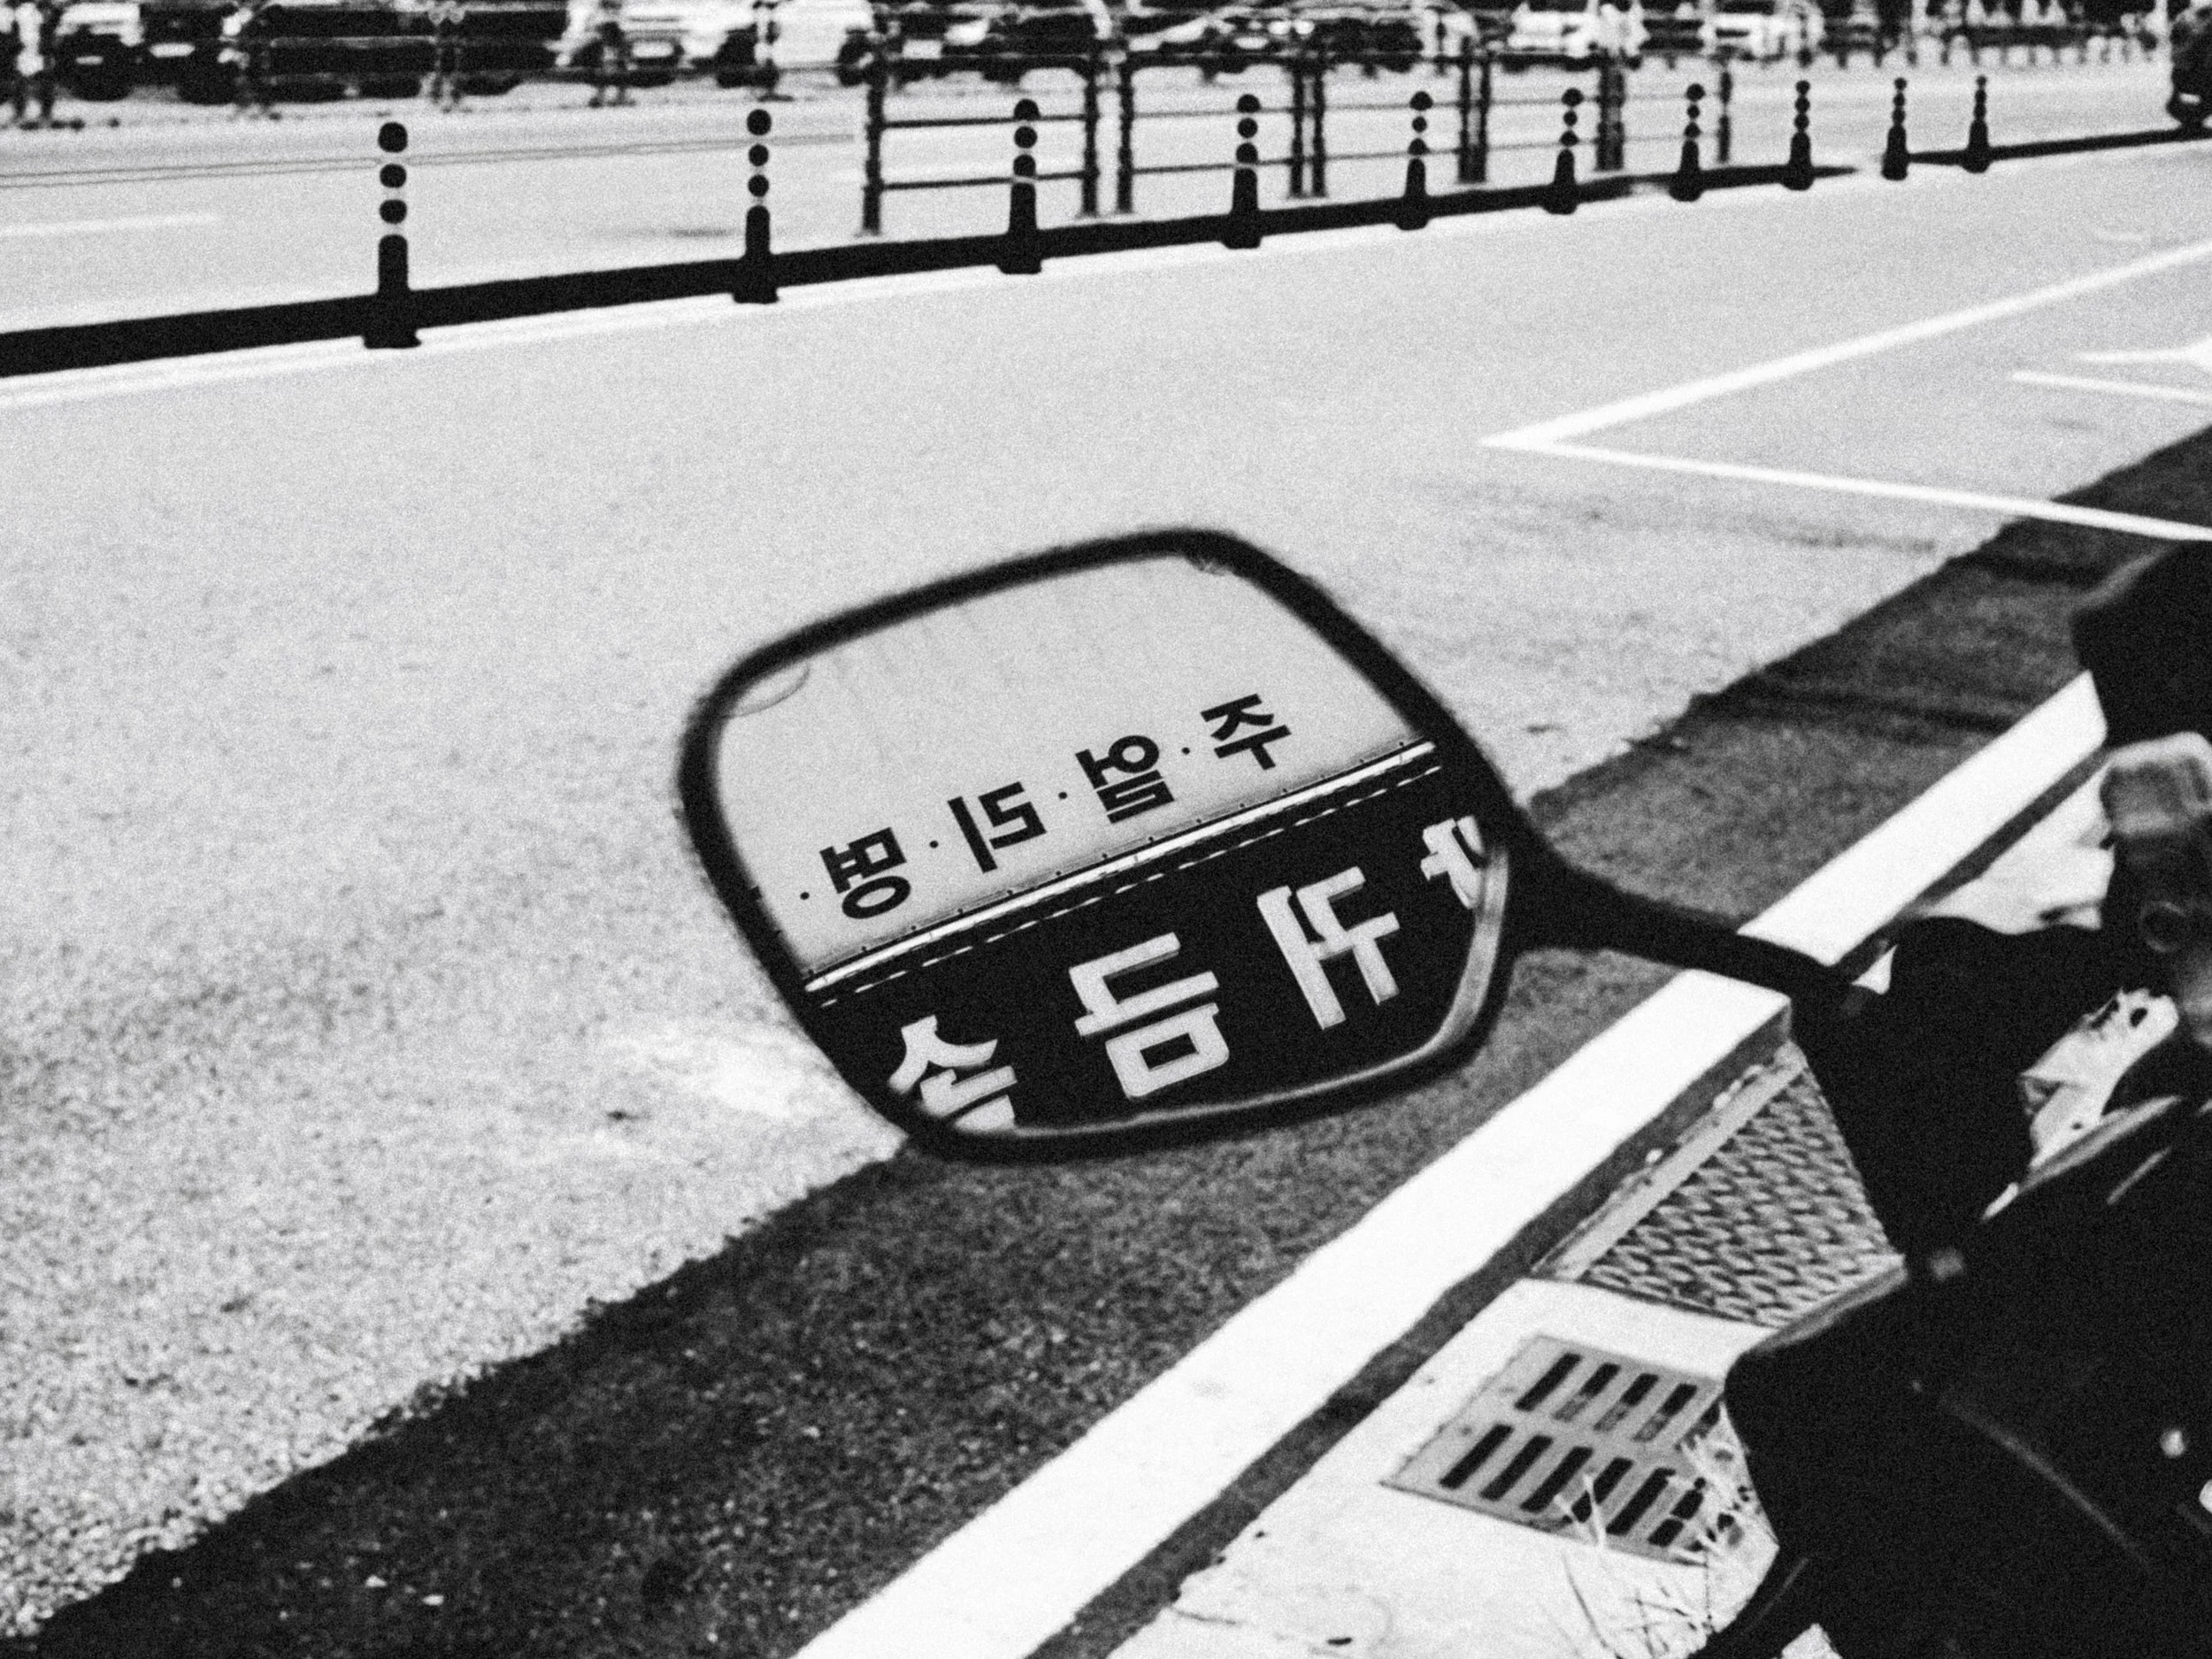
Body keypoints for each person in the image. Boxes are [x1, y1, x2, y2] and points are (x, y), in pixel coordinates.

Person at [8, 0, 57, 129]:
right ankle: (21, 114)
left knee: (43, 84)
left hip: (37, 52)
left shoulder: (42, 10)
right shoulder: (19, 12)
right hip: (25, 52)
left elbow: (48, 30)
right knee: (21, 84)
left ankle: (44, 114)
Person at [588, 0, 629, 106]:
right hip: (610, 28)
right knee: (611, 66)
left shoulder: (610, 17)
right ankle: (610, 97)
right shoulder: (606, 18)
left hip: (613, 28)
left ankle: (616, 97)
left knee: (614, 66)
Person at [427, 0, 466, 109]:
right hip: (441, 46)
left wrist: (448, 8)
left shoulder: (455, 6)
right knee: (438, 71)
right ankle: (436, 99)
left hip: (454, 44)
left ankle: (456, 99)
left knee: (455, 72)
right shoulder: (435, 5)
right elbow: (434, 18)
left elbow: (458, 18)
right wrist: (446, 8)